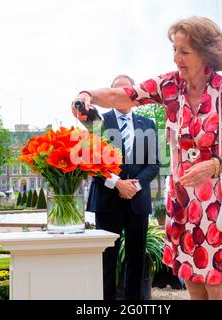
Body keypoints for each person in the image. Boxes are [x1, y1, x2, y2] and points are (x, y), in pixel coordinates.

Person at [72, 17, 222, 300]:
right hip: (182, 201)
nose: (176, 58)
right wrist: (87, 94)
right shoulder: (170, 85)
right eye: (174, 49)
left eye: (184, 51)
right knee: (193, 282)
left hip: (217, 203)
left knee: (217, 284)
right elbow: (124, 95)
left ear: (206, 52)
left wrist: (215, 165)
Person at [83, 74, 160, 300]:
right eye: (116, 92)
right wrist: (117, 183)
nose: (122, 96)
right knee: (107, 260)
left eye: (127, 91)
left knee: (136, 260)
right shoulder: (98, 123)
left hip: (138, 201)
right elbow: (92, 162)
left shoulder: (148, 124)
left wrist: (134, 186)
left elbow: (154, 163)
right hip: (107, 202)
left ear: (134, 95)